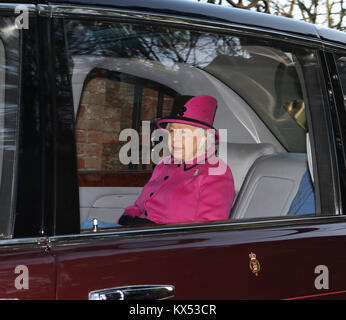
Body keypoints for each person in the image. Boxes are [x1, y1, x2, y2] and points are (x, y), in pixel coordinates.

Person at [116, 95, 235, 226]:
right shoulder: (164, 165)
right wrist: (127, 218)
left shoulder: (216, 172)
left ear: (204, 138)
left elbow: (207, 231)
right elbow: (139, 206)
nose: (175, 139)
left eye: (183, 132)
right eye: (172, 131)